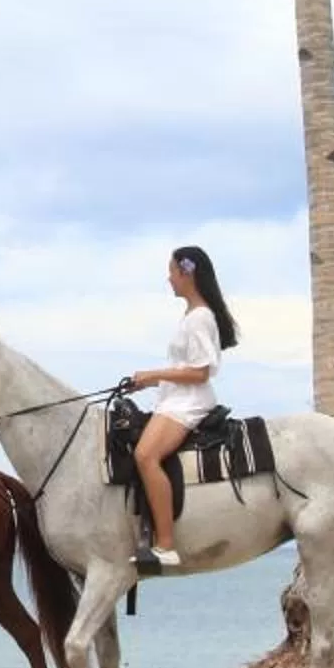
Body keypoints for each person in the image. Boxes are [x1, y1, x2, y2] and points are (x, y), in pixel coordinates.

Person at [119, 245, 238, 573]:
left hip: (188, 404)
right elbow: (184, 368)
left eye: (172, 271)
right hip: (174, 400)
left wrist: (153, 374)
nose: (168, 278)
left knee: (146, 456)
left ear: (187, 273)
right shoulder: (192, 316)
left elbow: (200, 372)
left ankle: (166, 545)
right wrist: (148, 382)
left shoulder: (199, 318)